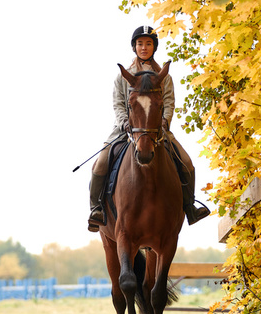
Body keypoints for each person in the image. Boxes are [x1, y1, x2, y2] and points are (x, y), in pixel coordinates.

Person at [88, 25, 210, 232]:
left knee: (187, 162)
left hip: (157, 130)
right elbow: (118, 103)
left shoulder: (164, 77)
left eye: (148, 44)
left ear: (154, 47)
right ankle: (96, 209)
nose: (144, 47)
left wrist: (163, 123)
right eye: (140, 43)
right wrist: (124, 123)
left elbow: (169, 103)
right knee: (100, 163)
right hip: (126, 130)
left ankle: (190, 208)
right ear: (134, 47)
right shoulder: (123, 76)